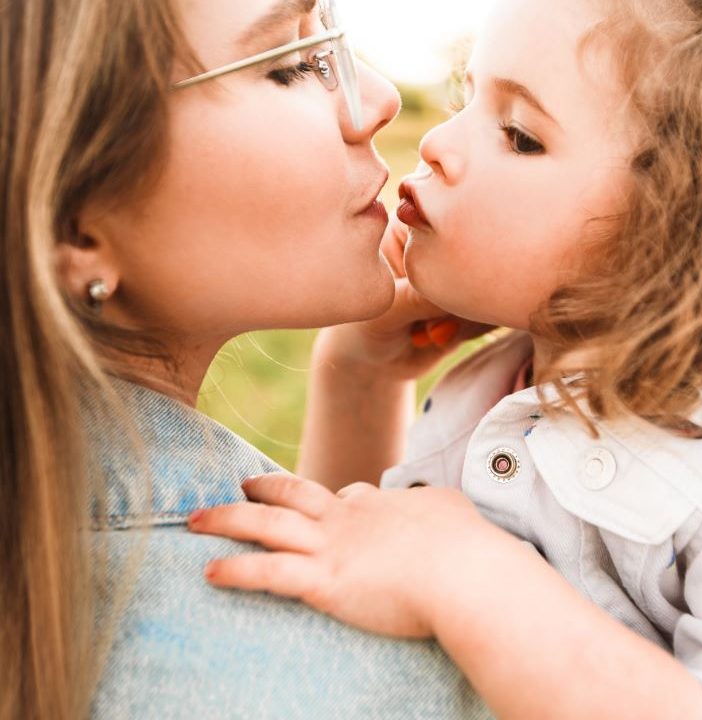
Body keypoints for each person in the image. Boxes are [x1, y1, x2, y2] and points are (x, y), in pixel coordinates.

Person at [192, 0, 702, 718]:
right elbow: (347, 564)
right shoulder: (496, 386)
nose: (436, 143)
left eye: (521, 136)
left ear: (686, 230)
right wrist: (363, 378)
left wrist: (467, 575)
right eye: (465, 99)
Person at [0, 0, 496, 718]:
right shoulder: (365, 683)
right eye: (288, 65)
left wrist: (356, 383)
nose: (380, 100)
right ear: (78, 229)